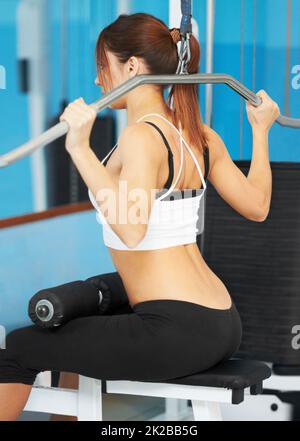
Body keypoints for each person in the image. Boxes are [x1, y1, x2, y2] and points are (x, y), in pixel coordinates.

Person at [0, 13, 280, 421]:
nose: (98, 81)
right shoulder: (197, 132)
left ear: (130, 67)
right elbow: (258, 206)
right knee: (71, 346)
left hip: (174, 330)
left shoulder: (140, 137)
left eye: (103, 66)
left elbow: (130, 230)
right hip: (221, 322)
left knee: (18, 351)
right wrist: (260, 132)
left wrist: (79, 149)